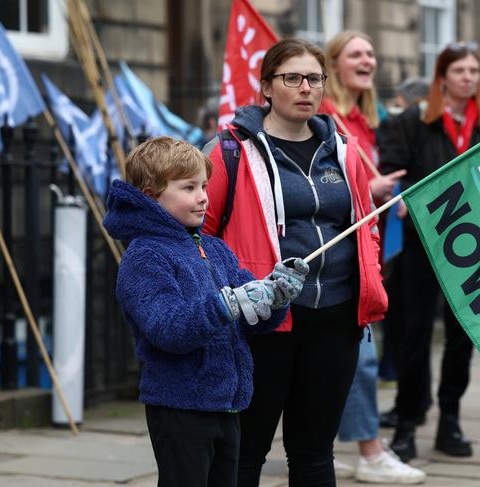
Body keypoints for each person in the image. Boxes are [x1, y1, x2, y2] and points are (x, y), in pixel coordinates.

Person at [202, 38, 388, 486]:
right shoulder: (231, 151)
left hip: (337, 320)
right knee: (246, 452)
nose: (305, 88)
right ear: (266, 87)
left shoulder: (344, 151)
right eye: (292, 78)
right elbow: (201, 234)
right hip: (265, 324)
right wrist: (240, 293)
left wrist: (370, 277)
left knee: (314, 454)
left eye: (314, 79)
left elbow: (367, 226)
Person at [102, 136, 308, 487]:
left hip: (226, 403)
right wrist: (226, 304)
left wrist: (276, 296)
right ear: (151, 194)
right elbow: (167, 327)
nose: (203, 197)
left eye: (203, 186)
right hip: (180, 404)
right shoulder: (144, 257)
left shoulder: (215, 248)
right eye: (188, 187)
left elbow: (250, 320)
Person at [379, 41, 480, 463]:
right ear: (442, 77)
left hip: (470, 246)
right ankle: (407, 423)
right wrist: (402, 196)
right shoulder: (414, 121)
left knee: (463, 335)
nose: (469, 78)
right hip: (422, 243)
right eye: (460, 70)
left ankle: (450, 419)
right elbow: (393, 172)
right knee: (415, 333)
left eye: (474, 71)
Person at [320, 30, 424, 484]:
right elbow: (321, 182)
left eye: (371, 52)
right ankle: (370, 452)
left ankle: (320, 446)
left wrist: (387, 195)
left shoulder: (366, 119)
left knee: (334, 355)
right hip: (334, 249)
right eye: (356, 53)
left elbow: (369, 174)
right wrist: (372, 189)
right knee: (360, 354)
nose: (369, 60)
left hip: (365, 246)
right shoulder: (324, 115)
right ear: (335, 64)